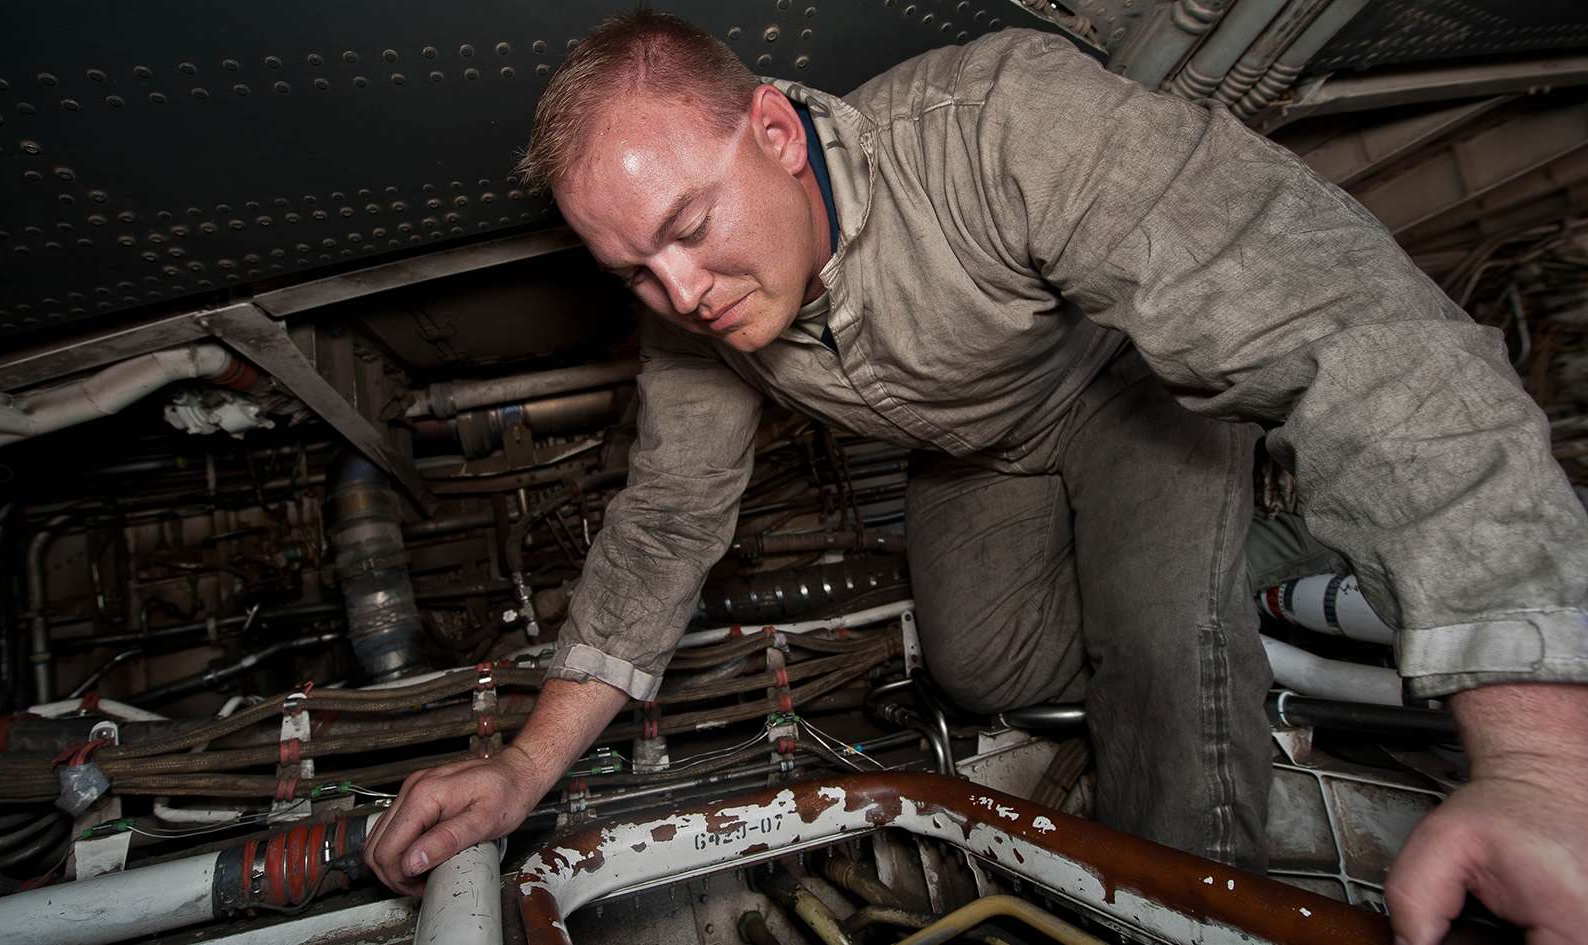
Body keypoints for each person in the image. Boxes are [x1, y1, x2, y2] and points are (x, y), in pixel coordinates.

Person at [365, 12, 1588, 943]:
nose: (681, 294)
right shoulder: (691, 322)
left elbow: (1347, 324)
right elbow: (667, 524)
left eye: (689, 228)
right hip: (980, 448)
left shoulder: (998, 125)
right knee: (982, 663)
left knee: (1163, 649)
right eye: (636, 270)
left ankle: (1199, 877)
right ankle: (1264, 558)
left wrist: (1538, 763)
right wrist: (524, 766)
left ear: (778, 136)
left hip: (1130, 397)